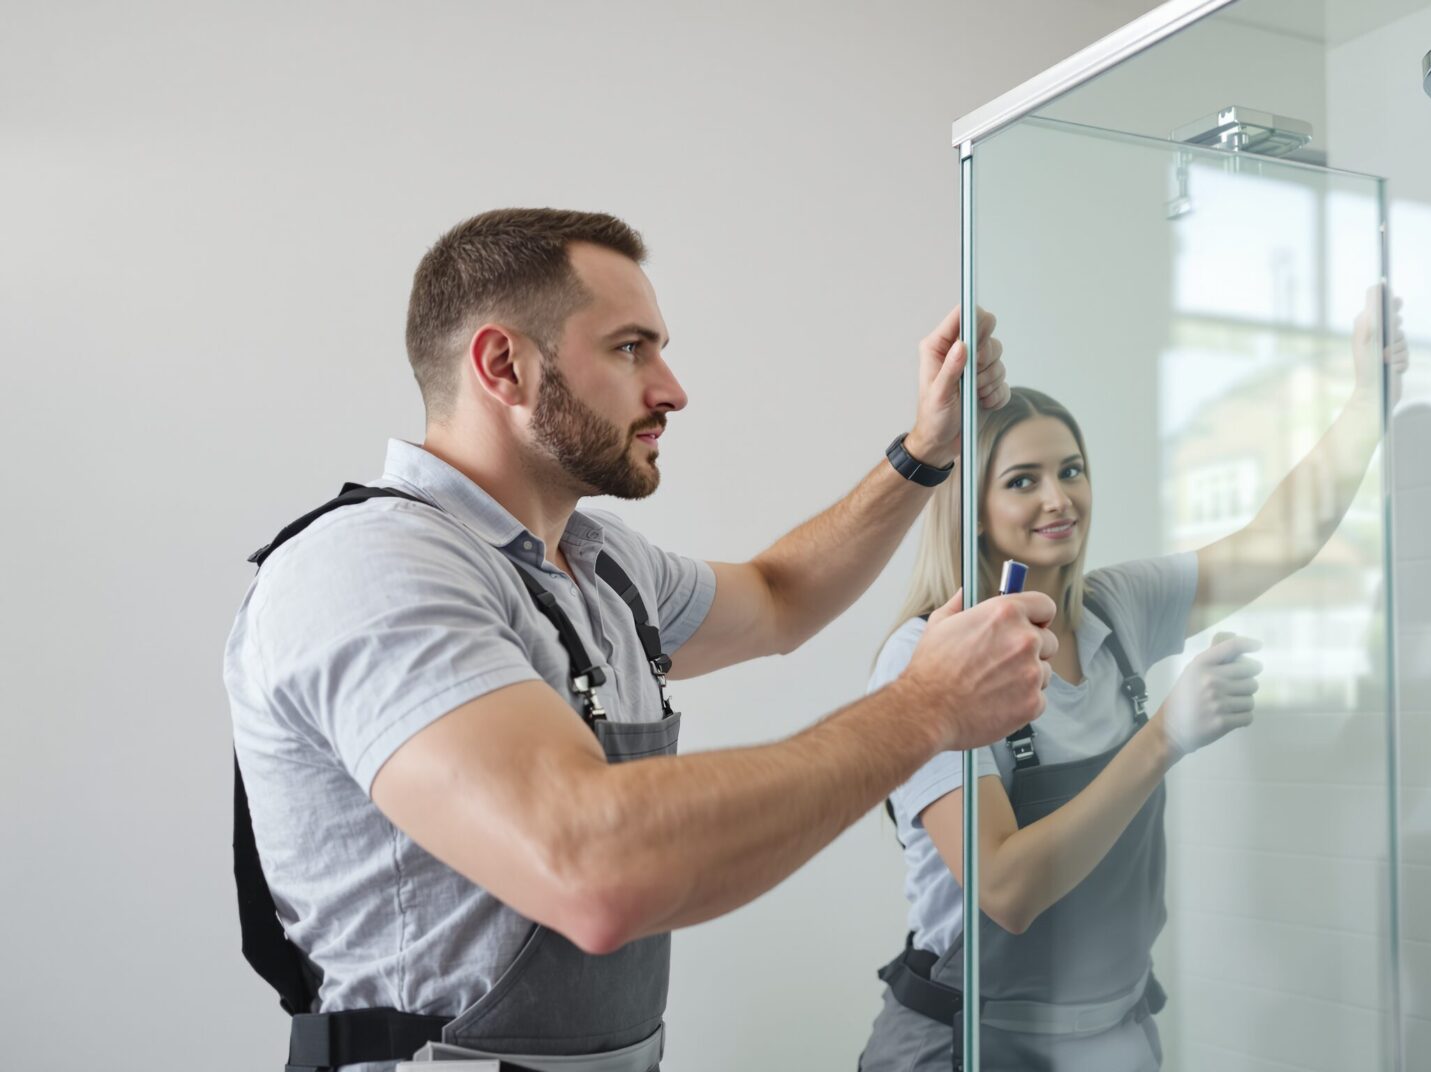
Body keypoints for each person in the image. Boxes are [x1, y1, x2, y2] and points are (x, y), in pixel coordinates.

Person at [224, 207, 1060, 1072]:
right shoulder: (371, 566)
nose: (671, 388)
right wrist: (925, 709)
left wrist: (927, 448)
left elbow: (778, 598)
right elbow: (592, 868)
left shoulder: (599, 564)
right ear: (503, 365)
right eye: (631, 348)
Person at [858, 287, 1409, 1071]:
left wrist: (1366, 404)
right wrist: (1163, 738)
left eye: (1071, 471)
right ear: (974, 509)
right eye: (1023, 481)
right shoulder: (928, 656)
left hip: (1111, 1031)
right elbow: (1007, 889)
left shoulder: (1115, 610)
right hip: (971, 1043)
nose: (1059, 499)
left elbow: (1279, 542)